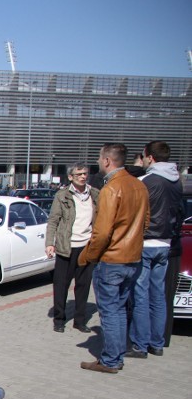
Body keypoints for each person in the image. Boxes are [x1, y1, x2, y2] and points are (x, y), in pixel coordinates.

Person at [78, 143, 150, 374]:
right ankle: (115, 357)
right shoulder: (139, 186)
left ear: (108, 160)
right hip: (132, 257)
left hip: (112, 259)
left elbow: (102, 232)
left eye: (100, 158)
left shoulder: (112, 189)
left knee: (110, 311)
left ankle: (110, 359)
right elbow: (145, 223)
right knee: (118, 309)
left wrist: (88, 256)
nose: (98, 163)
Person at [128, 141, 184, 358]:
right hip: (166, 243)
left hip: (146, 242)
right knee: (158, 294)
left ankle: (140, 345)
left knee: (140, 294)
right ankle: (157, 343)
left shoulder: (146, 181)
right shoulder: (177, 180)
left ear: (149, 157)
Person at [45, 162, 100, 333]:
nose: (83, 177)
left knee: (83, 285)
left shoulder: (95, 194)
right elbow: (53, 220)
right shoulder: (62, 196)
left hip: (87, 246)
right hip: (66, 246)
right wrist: (49, 243)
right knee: (61, 284)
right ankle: (59, 319)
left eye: (85, 173)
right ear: (70, 177)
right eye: (79, 174)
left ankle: (80, 320)